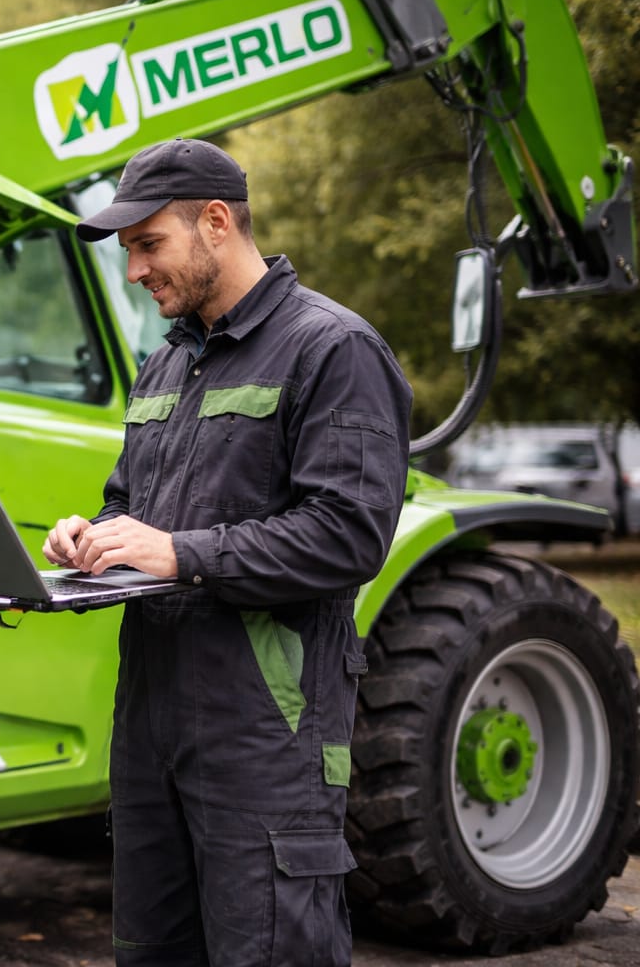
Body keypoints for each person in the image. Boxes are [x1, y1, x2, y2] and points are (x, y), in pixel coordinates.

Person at [45, 138, 412, 966]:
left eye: (148, 244)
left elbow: (349, 532)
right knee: (152, 949)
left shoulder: (333, 349)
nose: (135, 271)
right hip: (152, 724)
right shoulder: (166, 364)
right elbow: (129, 505)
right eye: (130, 251)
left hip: (267, 732)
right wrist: (89, 536)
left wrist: (183, 553)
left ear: (216, 222)